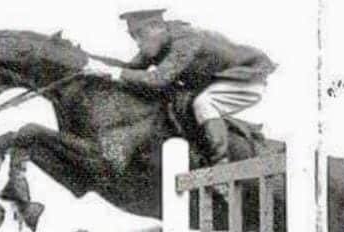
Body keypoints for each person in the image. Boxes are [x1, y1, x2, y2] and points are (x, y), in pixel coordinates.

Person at [82, 9, 276, 166]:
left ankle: (220, 164)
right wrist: (88, 61)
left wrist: (112, 72)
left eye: (140, 35)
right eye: (133, 36)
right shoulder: (158, 40)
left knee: (204, 103)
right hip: (215, 81)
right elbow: (129, 68)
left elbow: (158, 79)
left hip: (247, 79)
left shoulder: (187, 40)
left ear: (157, 26)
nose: (138, 43)